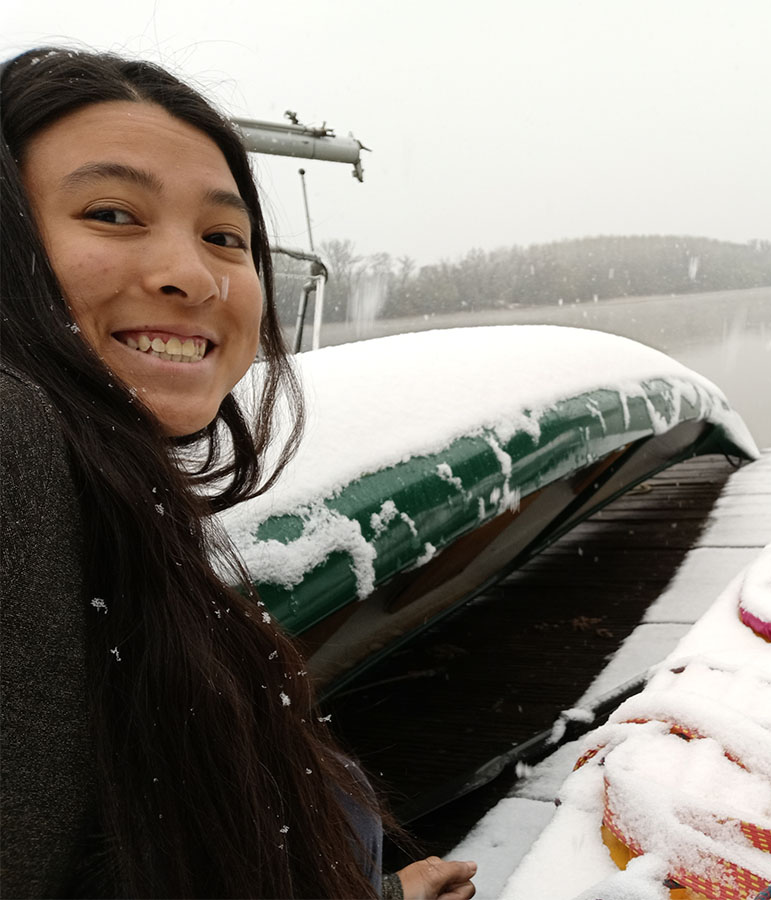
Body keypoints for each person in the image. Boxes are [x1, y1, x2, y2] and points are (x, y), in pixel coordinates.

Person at [0, 47, 476, 899]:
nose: (192, 276)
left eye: (226, 237)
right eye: (112, 214)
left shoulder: (118, 513)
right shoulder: (17, 447)